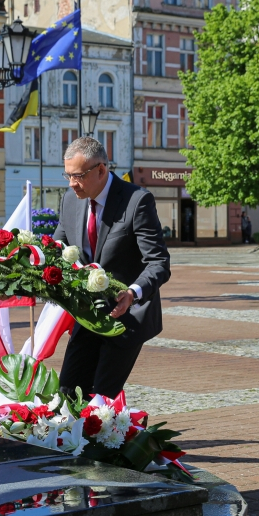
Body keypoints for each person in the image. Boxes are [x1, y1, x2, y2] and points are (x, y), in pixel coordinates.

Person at [53, 136, 171, 398]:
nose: (72, 183)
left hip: (126, 316)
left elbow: (159, 262)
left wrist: (132, 293)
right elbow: (56, 250)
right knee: (67, 392)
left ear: (101, 170)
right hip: (87, 314)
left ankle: (114, 436)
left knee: (102, 398)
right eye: (68, 175)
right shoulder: (70, 200)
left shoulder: (136, 201)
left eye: (79, 176)